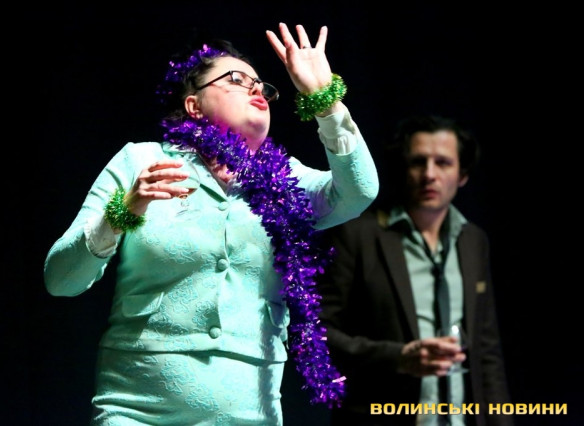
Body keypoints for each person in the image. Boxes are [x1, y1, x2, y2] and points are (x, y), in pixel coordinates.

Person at [43, 22, 379, 425]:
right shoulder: (142, 162)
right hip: (136, 410)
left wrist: (326, 102)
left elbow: (359, 192)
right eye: (236, 80)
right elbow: (61, 280)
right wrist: (121, 213)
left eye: (262, 86)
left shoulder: (287, 181)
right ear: (194, 105)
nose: (257, 90)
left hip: (250, 414)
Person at [317, 115, 513, 426]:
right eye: (418, 162)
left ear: (462, 175)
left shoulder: (473, 240)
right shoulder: (357, 235)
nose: (429, 174)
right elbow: (318, 333)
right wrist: (397, 357)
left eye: (443, 163)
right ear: (402, 167)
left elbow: (486, 351)